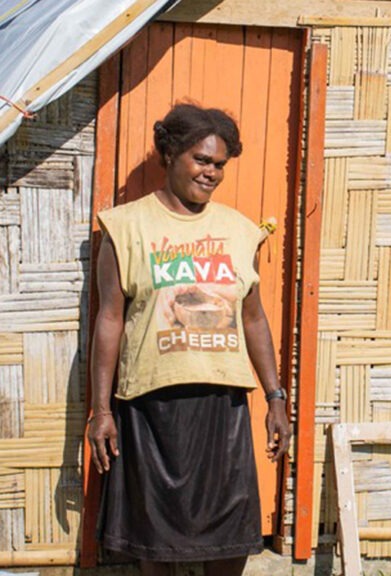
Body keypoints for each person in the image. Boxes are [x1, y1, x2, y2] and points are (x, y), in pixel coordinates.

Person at [87, 103, 291, 576]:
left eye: (220, 164)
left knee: (229, 536)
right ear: (169, 153)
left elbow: (254, 319)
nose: (212, 172)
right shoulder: (125, 227)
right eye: (202, 160)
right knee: (154, 540)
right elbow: (110, 320)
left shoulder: (239, 232)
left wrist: (276, 398)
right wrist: (101, 411)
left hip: (224, 407)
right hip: (151, 407)